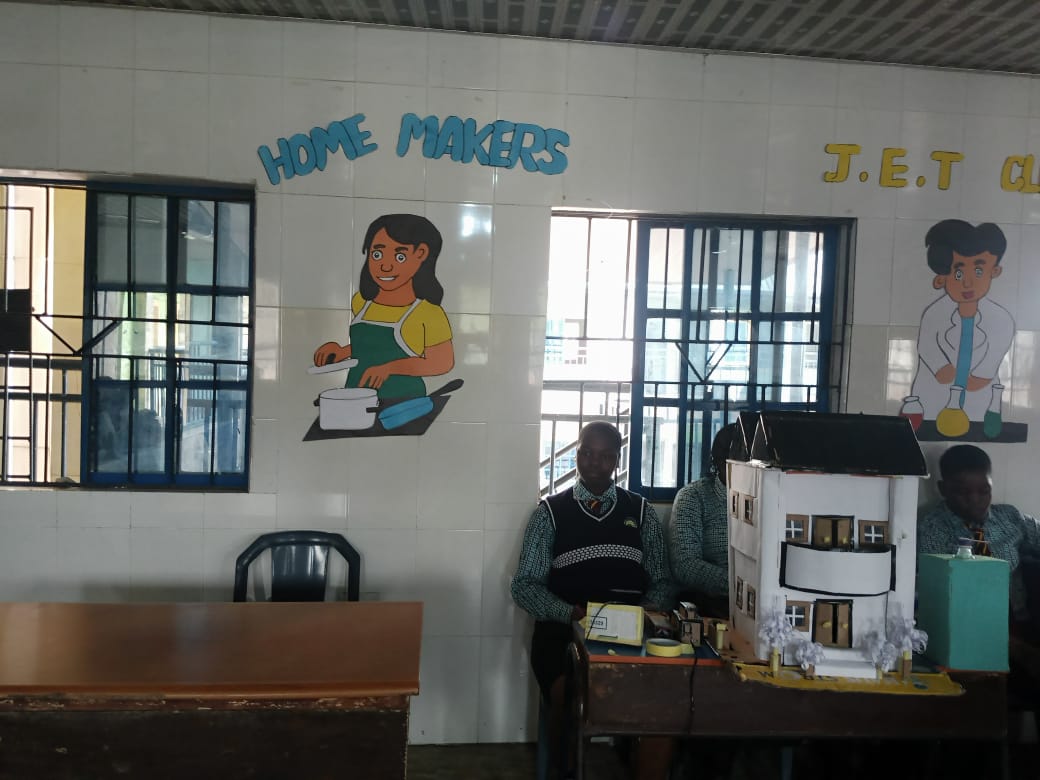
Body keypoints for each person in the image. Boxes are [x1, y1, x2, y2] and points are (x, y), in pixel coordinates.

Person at [511, 421, 672, 780]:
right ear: (577, 453)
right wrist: (571, 613)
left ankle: (636, 759)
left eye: (604, 456)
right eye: (586, 453)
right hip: (565, 630)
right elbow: (524, 586)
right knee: (569, 695)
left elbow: (662, 580)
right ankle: (566, 767)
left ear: (617, 460)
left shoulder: (641, 512)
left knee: (664, 700)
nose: (593, 462)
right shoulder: (549, 513)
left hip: (631, 632)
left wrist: (645, 613)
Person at [313, 214, 454, 400]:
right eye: (377, 254)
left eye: (400, 256)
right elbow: (372, 349)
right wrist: (342, 352)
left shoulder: (429, 313)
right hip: (357, 398)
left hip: (403, 405)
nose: (385, 267)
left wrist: (390, 368)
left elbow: (441, 363)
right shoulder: (361, 302)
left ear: (421, 253)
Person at [918, 444, 1040, 630]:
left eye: (984, 491)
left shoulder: (1010, 517)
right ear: (943, 489)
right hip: (966, 626)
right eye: (963, 492)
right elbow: (936, 591)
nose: (975, 500)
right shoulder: (933, 529)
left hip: (1021, 623)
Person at [907, 220, 1014, 425]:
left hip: (980, 402)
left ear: (995, 271)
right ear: (941, 278)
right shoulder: (934, 314)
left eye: (979, 271)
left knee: (977, 429)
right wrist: (940, 367)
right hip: (933, 398)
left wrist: (983, 375)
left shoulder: (1002, 319)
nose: (967, 282)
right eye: (958, 273)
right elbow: (926, 345)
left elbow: (995, 354)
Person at [668, 423, 738, 618]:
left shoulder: (771, 501)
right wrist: (741, 587)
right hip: (714, 605)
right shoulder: (694, 497)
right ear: (719, 462)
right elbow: (685, 565)